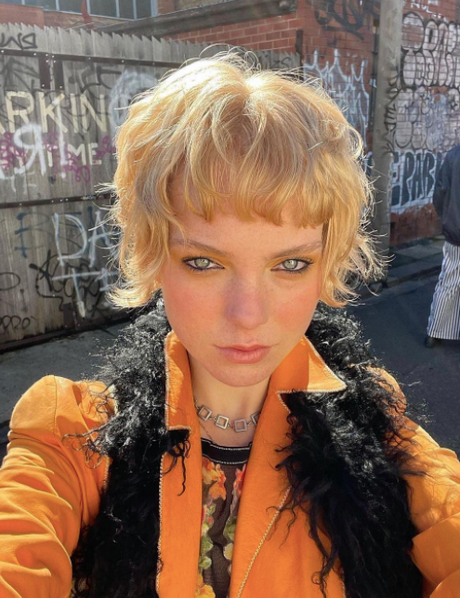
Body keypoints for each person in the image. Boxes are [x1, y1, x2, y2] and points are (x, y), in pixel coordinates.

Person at [1, 53, 460, 598]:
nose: (248, 314)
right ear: (154, 255)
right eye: (204, 262)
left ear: (326, 263)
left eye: (291, 264)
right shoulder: (74, 433)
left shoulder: (375, 424)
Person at [425, 145, 460, 348]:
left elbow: (439, 192)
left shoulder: (453, 155)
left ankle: (435, 332)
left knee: (448, 282)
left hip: (455, 232)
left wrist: (446, 218)